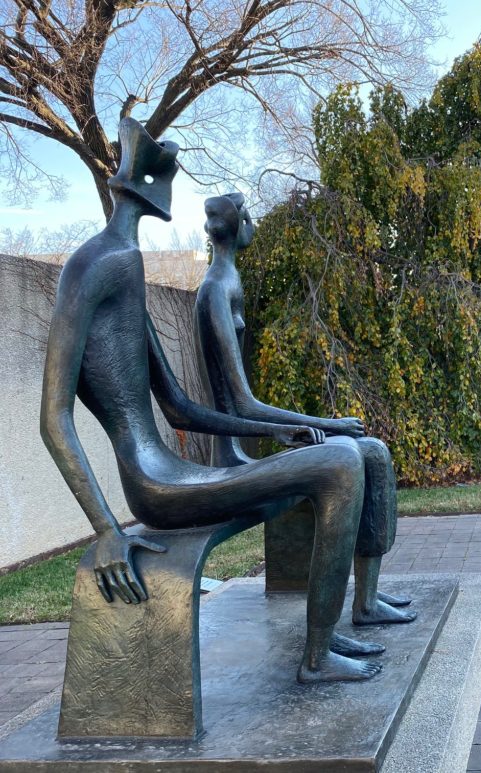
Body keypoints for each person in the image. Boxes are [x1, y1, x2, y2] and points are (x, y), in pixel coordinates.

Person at [40, 118, 378, 683]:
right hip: (156, 485)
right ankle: (317, 658)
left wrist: (270, 432)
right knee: (341, 463)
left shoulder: (126, 265)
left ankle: (342, 627)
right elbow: (54, 416)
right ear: (144, 189)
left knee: (353, 453)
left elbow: (178, 408)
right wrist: (105, 531)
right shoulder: (94, 264)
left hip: (173, 474)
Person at [193, 192, 414, 626]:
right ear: (236, 227)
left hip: (250, 448)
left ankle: (366, 600)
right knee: (355, 453)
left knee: (375, 452)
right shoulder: (215, 290)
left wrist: (310, 428)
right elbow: (241, 403)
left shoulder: (230, 282)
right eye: (250, 218)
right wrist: (327, 424)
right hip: (232, 460)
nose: (255, 226)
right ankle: (326, 638)